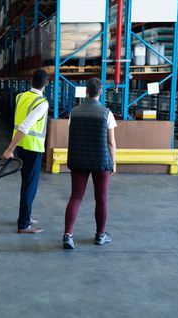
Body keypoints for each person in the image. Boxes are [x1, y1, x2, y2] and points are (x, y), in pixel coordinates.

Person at [63, 78, 117, 250]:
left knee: (75, 197)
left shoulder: (74, 112)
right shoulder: (106, 113)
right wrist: (113, 162)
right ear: (100, 92)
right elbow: (111, 143)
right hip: (101, 160)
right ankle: (100, 235)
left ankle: (68, 235)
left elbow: (73, 135)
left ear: (86, 91)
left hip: (79, 159)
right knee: (101, 199)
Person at [2, 69, 50, 234]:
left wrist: (14, 146)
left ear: (31, 80)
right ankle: (24, 224)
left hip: (22, 146)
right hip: (32, 148)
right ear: (47, 83)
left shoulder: (20, 97)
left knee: (27, 184)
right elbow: (25, 125)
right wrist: (10, 148)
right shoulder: (41, 103)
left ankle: (26, 216)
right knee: (30, 186)